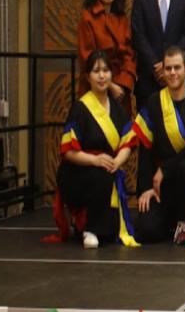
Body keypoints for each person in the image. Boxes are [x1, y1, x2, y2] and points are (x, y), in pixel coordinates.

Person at [51, 51, 138, 248]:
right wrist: (95, 160)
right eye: (96, 71)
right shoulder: (80, 108)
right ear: (88, 76)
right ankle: (89, 229)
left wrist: (117, 162)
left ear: (111, 75)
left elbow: (128, 142)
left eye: (105, 70)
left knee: (112, 232)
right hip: (77, 172)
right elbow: (68, 151)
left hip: (107, 170)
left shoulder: (118, 109)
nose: (101, 76)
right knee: (100, 175)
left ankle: (90, 225)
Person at [131, 0, 185, 194]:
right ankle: (145, 197)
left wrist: (172, 66)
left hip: (178, 84)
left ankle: (175, 198)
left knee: (176, 141)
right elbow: (138, 35)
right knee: (148, 142)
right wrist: (156, 66)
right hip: (150, 81)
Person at [132, 46, 185, 245]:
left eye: (177, 67)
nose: (173, 73)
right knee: (146, 232)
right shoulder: (153, 102)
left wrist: (164, 169)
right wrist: (146, 189)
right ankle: (171, 219)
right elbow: (145, 148)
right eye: (168, 68)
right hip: (161, 186)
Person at [77, 0, 136, 113]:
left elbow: (129, 55)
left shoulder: (122, 17)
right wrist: (110, 85)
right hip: (96, 87)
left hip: (121, 90)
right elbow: (87, 58)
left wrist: (123, 84)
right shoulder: (88, 17)